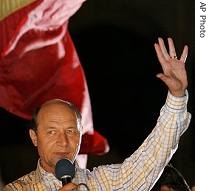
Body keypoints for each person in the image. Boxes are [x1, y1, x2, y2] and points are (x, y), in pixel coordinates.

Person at [2, 37, 191, 191]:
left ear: (80, 136)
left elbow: (151, 158)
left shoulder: (103, 183)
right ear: (34, 137)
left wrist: (176, 96)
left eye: (70, 131)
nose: (63, 141)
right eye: (51, 131)